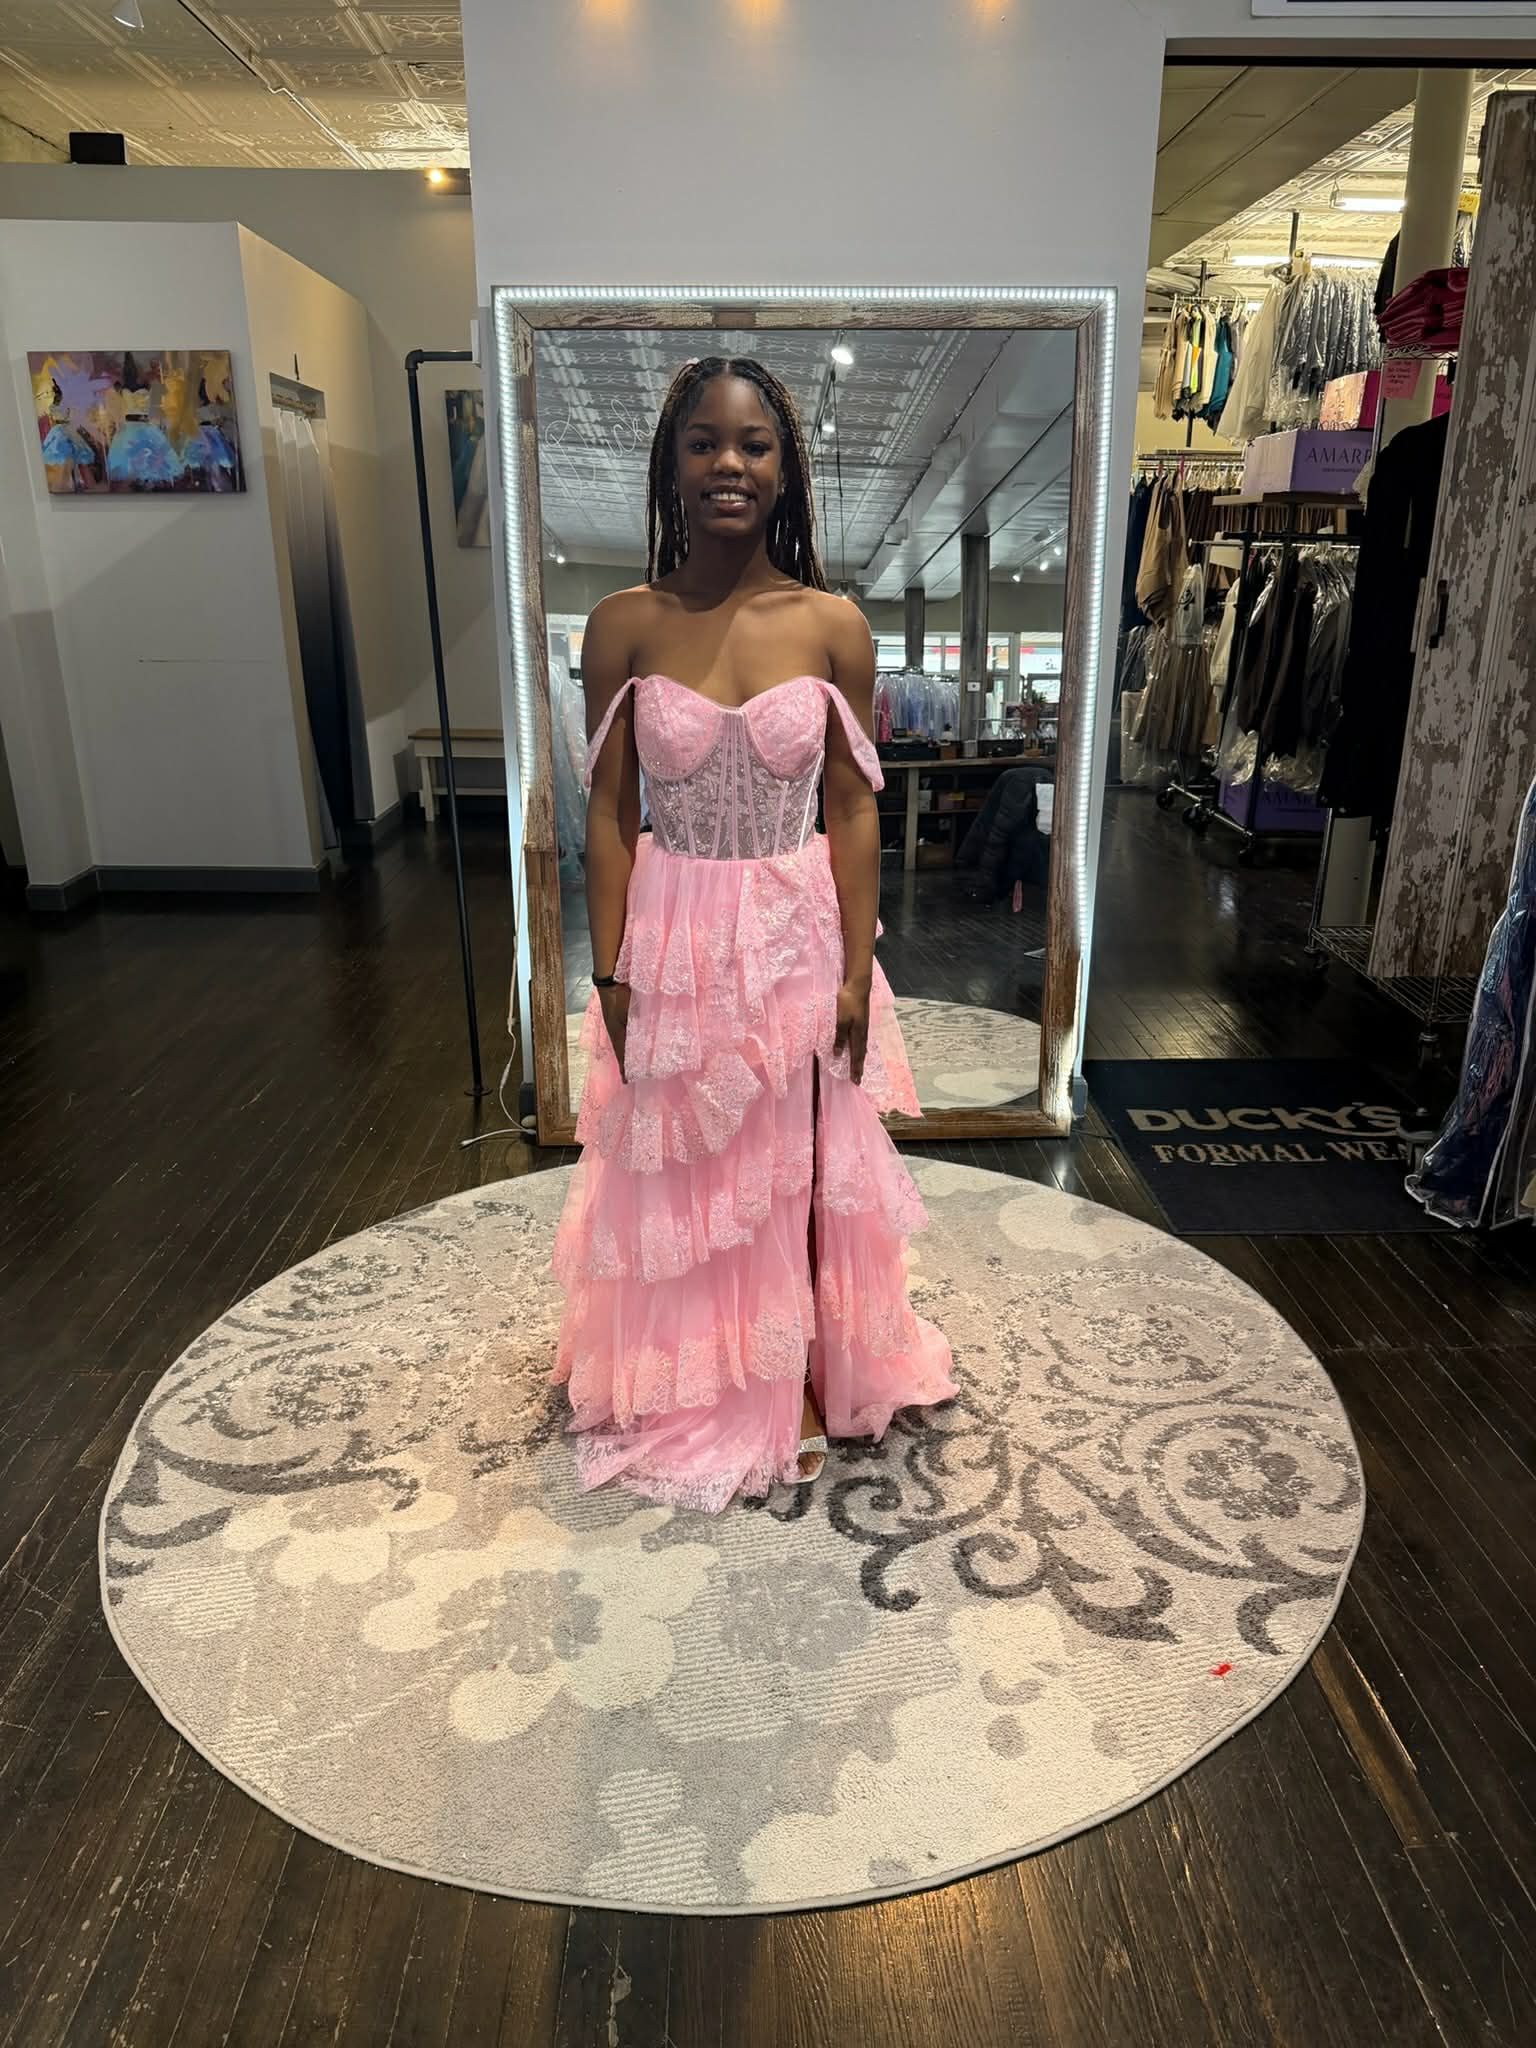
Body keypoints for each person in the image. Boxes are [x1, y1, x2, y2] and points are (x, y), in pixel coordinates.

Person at [549, 355, 955, 1512]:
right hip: (674, 924)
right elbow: (611, 809)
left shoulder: (834, 625)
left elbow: (852, 803)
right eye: (704, 443)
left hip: (792, 926)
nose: (730, 464)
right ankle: (695, 1371)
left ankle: (803, 1368)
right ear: (670, 466)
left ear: (787, 470)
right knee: (683, 1163)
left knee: (800, 1160)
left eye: (755, 445)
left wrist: (854, 964)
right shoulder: (622, 625)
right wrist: (613, 965)